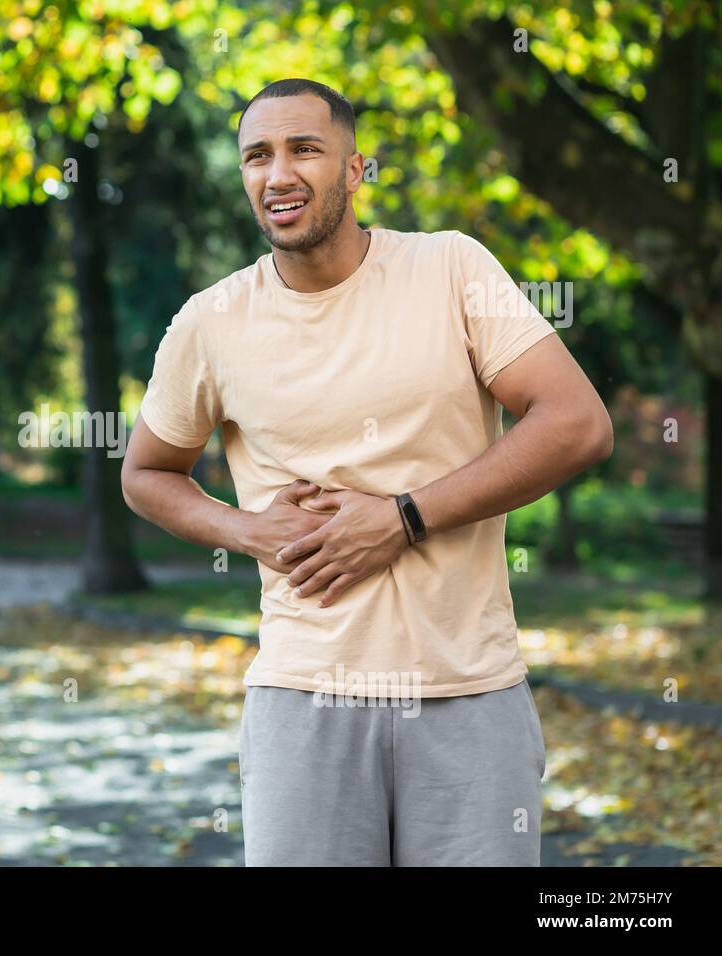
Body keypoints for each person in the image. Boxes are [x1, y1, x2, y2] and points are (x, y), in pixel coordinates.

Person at [119, 78, 614, 866]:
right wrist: (244, 529)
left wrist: (403, 516)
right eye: (257, 156)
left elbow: (576, 423)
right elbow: (146, 473)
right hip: (302, 698)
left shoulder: (451, 268)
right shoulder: (211, 321)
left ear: (356, 171)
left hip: (469, 693)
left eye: (304, 150)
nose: (278, 174)